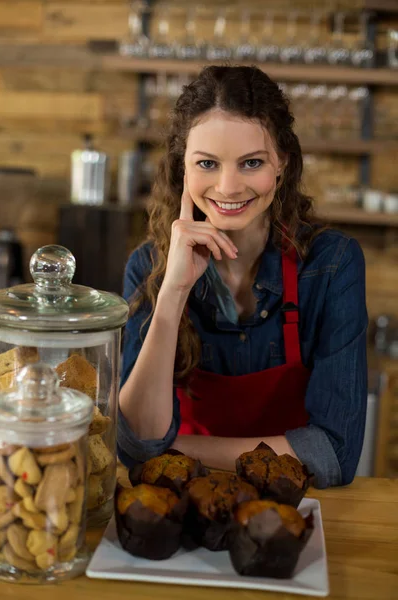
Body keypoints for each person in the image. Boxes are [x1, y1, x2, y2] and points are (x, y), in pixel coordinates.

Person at [118, 65, 368, 488]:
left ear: (282, 165)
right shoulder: (148, 267)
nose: (229, 187)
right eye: (207, 163)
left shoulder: (332, 265)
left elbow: (333, 455)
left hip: (290, 512)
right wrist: (174, 292)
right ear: (184, 169)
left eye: (251, 162)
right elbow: (137, 442)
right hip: (181, 507)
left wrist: (174, 451)